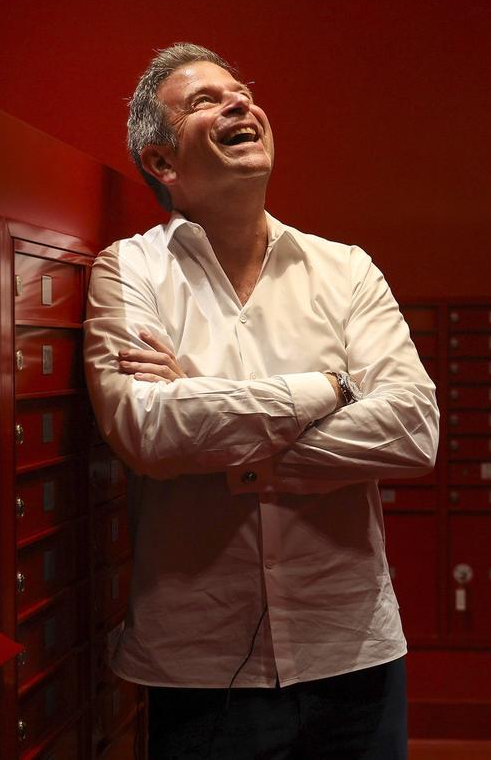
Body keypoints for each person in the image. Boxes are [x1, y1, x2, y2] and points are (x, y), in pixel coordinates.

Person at [83, 42, 439, 759]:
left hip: (355, 654)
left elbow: (412, 432)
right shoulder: (131, 272)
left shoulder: (345, 270)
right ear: (161, 162)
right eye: (205, 101)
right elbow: (147, 433)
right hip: (201, 668)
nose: (240, 103)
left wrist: (209, 414)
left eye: (242, 92)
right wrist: (328, 388)